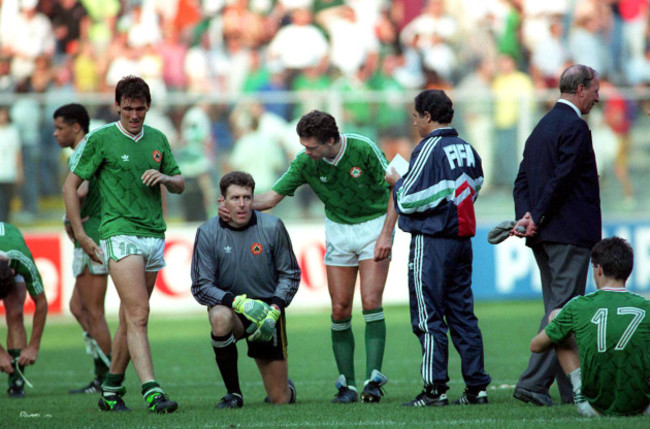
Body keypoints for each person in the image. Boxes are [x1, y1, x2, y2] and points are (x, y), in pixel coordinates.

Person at [221, 110, 397, 403]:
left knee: (370, 301)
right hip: (339, 230)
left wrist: (387, 233)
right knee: (340, 308)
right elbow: (272, 197)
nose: (306, 151)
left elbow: (396, 187)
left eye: (311, 146)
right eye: (304, 146)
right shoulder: (305, 162)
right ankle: (347, 385)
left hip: (374, 225)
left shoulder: (363, 148)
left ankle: (373, 381)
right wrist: (238, 206)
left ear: (331, 140)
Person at [63, 75, 185, 413]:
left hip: (153, 235)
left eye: (140, 109)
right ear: (117, 106)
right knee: (139, 313)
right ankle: (152, 390)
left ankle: (111, 389)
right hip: (118, 233)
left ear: (148, 107)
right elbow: (70, 187)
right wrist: (82, 234)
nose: (134, 115)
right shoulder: (101, 139)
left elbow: (180, 182)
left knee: (130, 319)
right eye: (128, 108)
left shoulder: (158, 138)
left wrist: (165, 178)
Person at [385, 89, 491, 407]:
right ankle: (477, 389)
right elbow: (476, 185)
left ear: (428, 117)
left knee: (428, 316)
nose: (414, 122)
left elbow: (408, 199)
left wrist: (397, 182)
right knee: (462, 315)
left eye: (416, 116)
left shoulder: (428, 148)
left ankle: (434, 390)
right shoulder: (469, 148)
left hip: (432, 243)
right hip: (461, 240)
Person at [511, 64, 602, 406]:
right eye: (594, 89)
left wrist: (528, 216)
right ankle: (533, 383)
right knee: (563, 311)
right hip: (569, 233)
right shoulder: (576, 127)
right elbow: (562, 180)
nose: (598, 95)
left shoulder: (541, 127)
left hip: (544, 235)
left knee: (558, 306)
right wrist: (540, 215)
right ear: (580, 89)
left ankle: (570, 390)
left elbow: (522, 180)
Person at [191, 171, 300, 408]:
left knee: (280, 400)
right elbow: (201, 286)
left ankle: (285, 387)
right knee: (218, 317)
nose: (241, 205)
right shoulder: (208, 232)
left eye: (247, 198)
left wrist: (276, 307)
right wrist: (237, 303)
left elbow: (290, 274)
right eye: (235, 198)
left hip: (267, 314)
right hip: (232, 309)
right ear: (222, 200)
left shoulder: (272, 227)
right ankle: (234, 394)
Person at [530, 237, 650, 417]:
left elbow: (536, 346)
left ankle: (579, 385)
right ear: (628, 271)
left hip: (594, 408)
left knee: (556, 316)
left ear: (598, 269)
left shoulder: (578, 305)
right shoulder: (645, 306)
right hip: (644, 407)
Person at [54, 103, 111, 394]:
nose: (55, 133)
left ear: (77, 127)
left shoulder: (86, 148)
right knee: (78, 307)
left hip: (93, 233)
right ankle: (103, 372)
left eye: (60, 127)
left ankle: (111, 377)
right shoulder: (82, 149)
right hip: (87, 232)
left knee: (93, 310)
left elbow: (83, 187)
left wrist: (70, 216)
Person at [0, 222, 48, 398]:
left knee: (15, 313)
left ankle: (16, 381)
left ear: (12, 271)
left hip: (11, 246)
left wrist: (33, 347)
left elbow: (41, 302)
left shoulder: (22, 259)